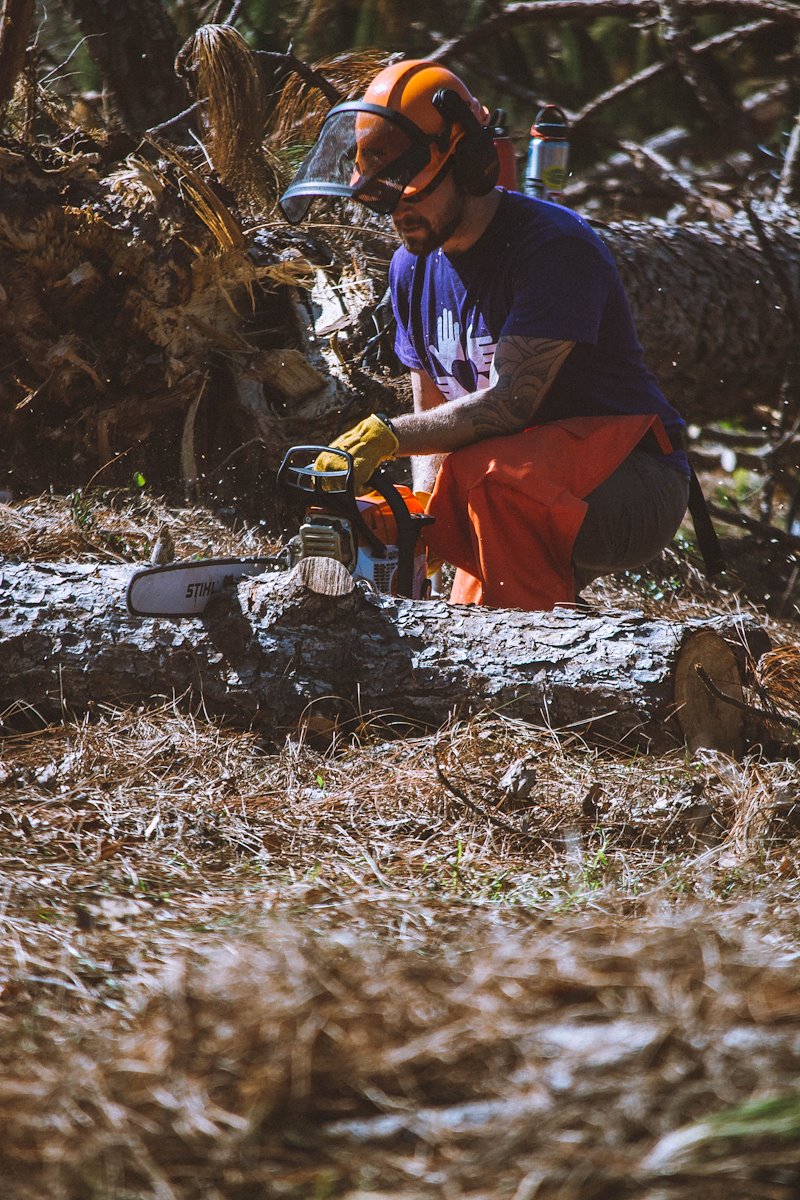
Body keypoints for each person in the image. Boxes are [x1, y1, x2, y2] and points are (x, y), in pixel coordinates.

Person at [279, 59, 692, 610]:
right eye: (386, 196)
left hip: (632, 481)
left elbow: (509, 406)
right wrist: (421, 515)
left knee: (485, 480)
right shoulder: (411, 268)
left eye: (411, 191)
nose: (399, 210)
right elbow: (434, 403)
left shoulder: (550, 248)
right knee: (445, 571)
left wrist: (386, 436)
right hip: (517, 478)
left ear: (467, 164)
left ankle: (533, 670)